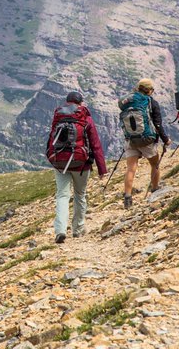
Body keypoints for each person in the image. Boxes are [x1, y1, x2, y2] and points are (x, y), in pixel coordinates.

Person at [45, 91, 107, 243]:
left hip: (59, 162)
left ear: (67, 102)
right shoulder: (85, 117)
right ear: (80, 103)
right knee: (80, 194)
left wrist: (51, 157)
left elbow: (51, 137)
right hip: (81, 164)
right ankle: (77, 229)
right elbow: (95, 144)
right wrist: (101, 169)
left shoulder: (58, 115)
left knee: (62, 195)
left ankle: (60, 230)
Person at [121, 78, 170, 207]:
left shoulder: (129, 103)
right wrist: (165, 139)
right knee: (155, 164)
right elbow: (157, 124)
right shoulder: (151, 103)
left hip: (131, 139)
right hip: (147, 139)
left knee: (131, 168)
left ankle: (127, 196)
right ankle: (154, 188)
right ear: (149, 90)